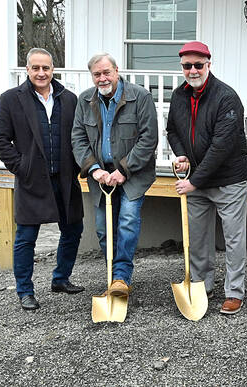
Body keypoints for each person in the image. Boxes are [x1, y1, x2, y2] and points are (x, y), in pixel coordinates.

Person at [0, 48, 84, 311]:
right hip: (32, 179)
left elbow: (78, 136)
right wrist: (22, 167)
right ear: (28, 70)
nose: (41, 73)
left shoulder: (69, 99)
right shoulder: (11, 99)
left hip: (65, 178)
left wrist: (79, 167)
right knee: (26, 237)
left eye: (46, 68)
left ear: (53, 69)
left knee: (73, 230)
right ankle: (25, 291)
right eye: (36, 68)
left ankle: (61, 279)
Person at [166, 41, 247, 315]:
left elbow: (221, 147)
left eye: (198, 65)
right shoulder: (179, 96)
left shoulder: (226, 97)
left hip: (228, 179)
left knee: (233, 238)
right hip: (196, 178)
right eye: (187, 66)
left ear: (208, 65)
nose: (193, 70)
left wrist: (193, 181)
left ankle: (234, 292)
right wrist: (181, 155)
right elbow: (172, 131)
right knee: (198, 237)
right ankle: (203, 284)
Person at [72, 53, 158, 297]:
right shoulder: (85, 100)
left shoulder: (139, 97)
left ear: (117, 71)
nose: (102, 78)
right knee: (102, 228)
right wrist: (94, 169)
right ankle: (114, 273)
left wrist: (123, 170)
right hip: (100, 176)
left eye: (106, 72)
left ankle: (121, 277)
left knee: (127, 221)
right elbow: (78, 139)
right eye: (97, 74)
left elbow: (148, 138)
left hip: (133, 174)